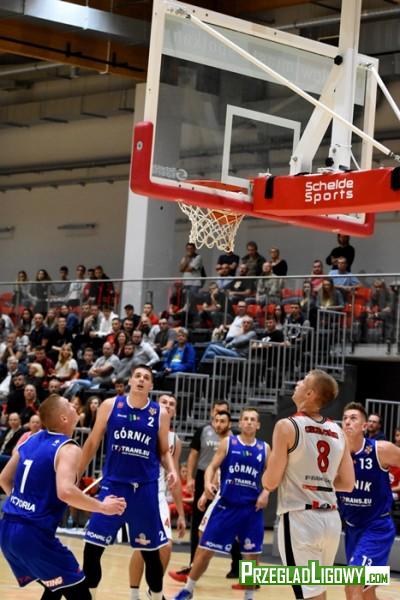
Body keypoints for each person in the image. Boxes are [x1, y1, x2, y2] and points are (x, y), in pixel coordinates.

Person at [0, 394, 126, 600]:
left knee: (56, 586)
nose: (74, 406)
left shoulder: (31, 439)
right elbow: (65, 491)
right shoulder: (68, 448)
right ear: (64, 418)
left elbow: (4, 478)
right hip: (33, 536)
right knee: (80, 593)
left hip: (7, 529)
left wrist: (22, 503)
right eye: (69, 405)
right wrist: (103, 507)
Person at [79, 364, 178, 600]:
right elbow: (92, 442)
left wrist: (172, 470)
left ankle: (158, 595)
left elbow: (164, 451)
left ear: (151, 385)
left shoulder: (159, 414)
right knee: (92, 548)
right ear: (130, 381)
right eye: (138, 376)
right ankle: (90, 596)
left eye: (146, 377)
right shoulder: (111, 405)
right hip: (113, 487)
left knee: (151, 553)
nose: (141, 380)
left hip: (144, 490)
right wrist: (76, 473)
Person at [262, 369, 355, 600]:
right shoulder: (338, 431)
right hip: (331, 521)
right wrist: (318, 481)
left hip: (300, 519)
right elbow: (348, 483)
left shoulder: (287, 426)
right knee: (317, 592)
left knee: (309, 595)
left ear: (310, 393)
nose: (297, 383)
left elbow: (270, 482)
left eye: (303, 381)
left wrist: (270, 469)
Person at [173, 407, 270, 600]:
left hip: (251, 509)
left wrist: (266, 492)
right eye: (246, 419)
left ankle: (249, 596)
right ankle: (188, 589)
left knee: (251, 555)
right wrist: (207, 484)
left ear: (258, 425)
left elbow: (272, 474)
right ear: (240, 423)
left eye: (253, 419)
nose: (249, 422)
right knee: (205, 549)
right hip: (227, 506)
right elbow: (211, 467)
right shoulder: (229, 443)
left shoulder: (264, 448)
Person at [169, 402, 239, 584]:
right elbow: (195, 456)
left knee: (235, 527)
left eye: (223, 415)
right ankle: (193, 565)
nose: (219, 420)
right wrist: (191, 479)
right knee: (200, 525)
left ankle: (240, 569)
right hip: (206, 479)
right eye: (216, 415)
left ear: (229, 419)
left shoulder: (235, 439)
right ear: (212, 414)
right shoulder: (203, 431)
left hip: (229, 484)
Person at [337, 402, 400, 600]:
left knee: (352, 585)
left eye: (353, 418)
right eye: (345, 418)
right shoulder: (336, 453)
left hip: (377, 527)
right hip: (352, 529)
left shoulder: (381, 450)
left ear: (364, 426)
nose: (348, 421)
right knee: (366, 592)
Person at [129, 393, 186, 600]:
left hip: (159, 496)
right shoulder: (142, 426)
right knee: (141, 545)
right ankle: (134, 594)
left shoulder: (174, 440)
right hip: (138, 492)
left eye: (172, 404)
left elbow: (174, 476)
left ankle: (154, 590)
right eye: (164, 402)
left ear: (175, 411)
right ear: (155, 405)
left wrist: (181, 514)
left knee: (166, 546)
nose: (168, 406)